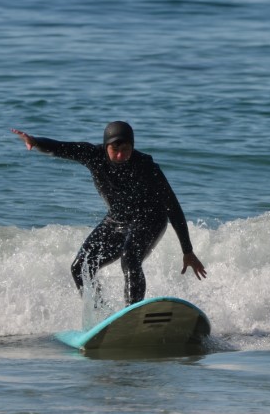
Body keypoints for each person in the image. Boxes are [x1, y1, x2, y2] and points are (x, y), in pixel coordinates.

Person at [12, 121, 207, 305]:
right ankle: (100, 313)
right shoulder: (93, 155)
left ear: (132, 147)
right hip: (117, 220)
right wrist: (35, 142)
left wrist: (187, 251)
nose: (120, 155)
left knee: (130, 258)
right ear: (106, 147)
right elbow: (61, 148)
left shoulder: (146, 166)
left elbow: (172, 207)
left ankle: (132, 312)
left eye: (126, 150)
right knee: (81, 267)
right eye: (115, 149)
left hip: (150, 219)